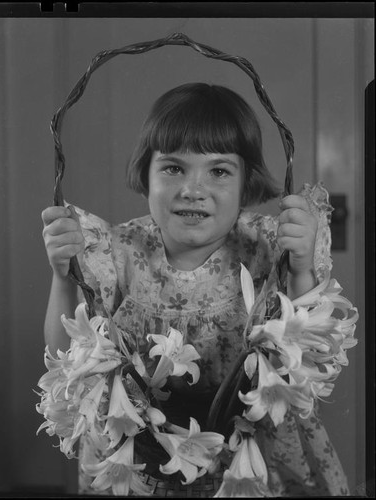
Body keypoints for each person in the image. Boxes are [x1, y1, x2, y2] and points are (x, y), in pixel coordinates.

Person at [41, 83, 349, 496]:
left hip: (249, 451)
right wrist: (63, 278)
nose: (193, 189)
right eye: (173, 168)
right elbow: (69, 361)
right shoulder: (119, 251)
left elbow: (308, 359)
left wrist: (301, 272)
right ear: (145, 174)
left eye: (219, 171)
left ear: (246, 183)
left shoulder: (267, 247)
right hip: (141, 457)